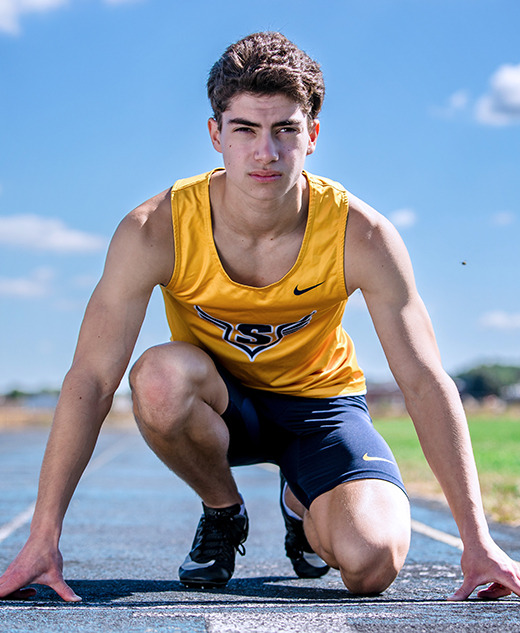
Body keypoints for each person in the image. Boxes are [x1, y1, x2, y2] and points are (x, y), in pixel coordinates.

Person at [1, 31, 519, 602]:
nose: (265, 153)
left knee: (372, 563)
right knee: (157, 377)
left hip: (321, 409)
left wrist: (478, 540)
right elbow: (93, 378)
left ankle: (303, 501)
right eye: (245, 129)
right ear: (215, 135)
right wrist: (42, 536)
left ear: (312, 135)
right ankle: (224, 510)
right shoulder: (156, 228)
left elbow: (423, 378)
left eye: (285, 130)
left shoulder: (361, 235)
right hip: (222, 405)